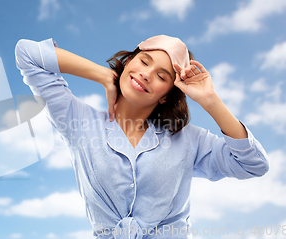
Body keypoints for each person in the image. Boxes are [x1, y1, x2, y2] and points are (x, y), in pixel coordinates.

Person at [14, 35, 269, 239]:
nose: (147, 74)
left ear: (167, 94)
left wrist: (210, 101)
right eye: (144, 62)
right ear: (128, 63)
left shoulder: (188, 140)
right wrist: (104, 75)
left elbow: (253, 164)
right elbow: (28, 54)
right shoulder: (79, 123)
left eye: (162, 76)